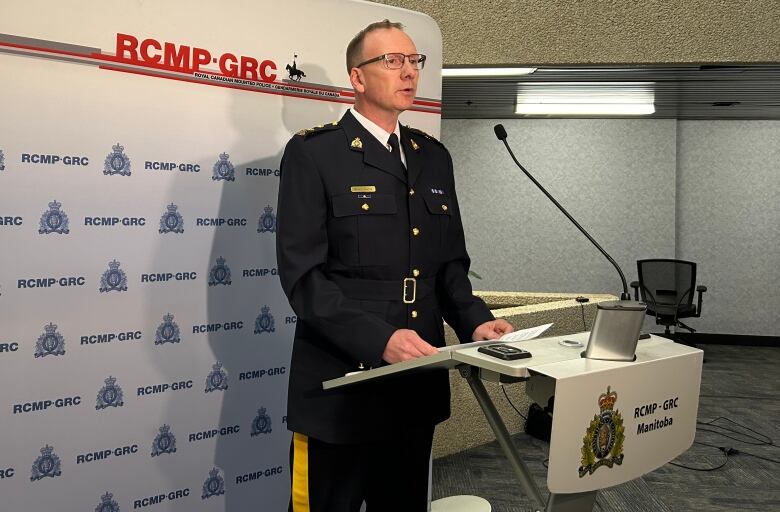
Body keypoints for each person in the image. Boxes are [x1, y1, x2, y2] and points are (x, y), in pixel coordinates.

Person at [276, 19, 513, 512]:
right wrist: (378, 339)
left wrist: (477, 322)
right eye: (391, 60)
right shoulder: (314, 154)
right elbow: (304, 278)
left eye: (413, 60)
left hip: (416, 381)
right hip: (343, 384)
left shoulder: (433, 157)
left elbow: (448, 267)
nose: (408, 71)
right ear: (357, 77)